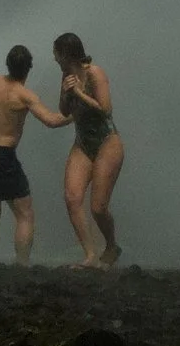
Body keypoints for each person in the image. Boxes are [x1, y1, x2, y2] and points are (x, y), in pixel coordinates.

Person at [0, 44, 70, 265]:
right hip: (2, 156)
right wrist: (77, 114)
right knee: (25, 214)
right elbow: (52, 120)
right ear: (28, 69)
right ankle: (22, 265)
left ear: (8, 64)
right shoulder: (25, 95)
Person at [53, 31, 126, 269]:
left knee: (98, 207)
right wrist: (66, 93)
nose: (55, 60)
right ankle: (90, 255)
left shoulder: (94, 73)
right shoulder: (66, 75)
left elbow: (105, 109)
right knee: (72, 197)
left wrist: (79, 93)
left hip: (107, 141)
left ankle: (111, 246)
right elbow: (64, 111)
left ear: (67, 54)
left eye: (57, 55)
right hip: (83, 143)